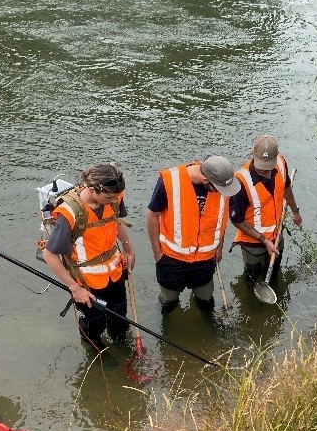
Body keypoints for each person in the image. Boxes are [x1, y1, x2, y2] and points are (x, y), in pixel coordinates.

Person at [43, 163, 135, 350]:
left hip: (115, 273)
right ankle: (97, 355)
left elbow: (116, 221)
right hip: (86, 283)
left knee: (119, 319)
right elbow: (49, 254)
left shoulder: (114, 197)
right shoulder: (68, 214)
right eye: (109, 197)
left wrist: (129, 249)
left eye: (115, 197)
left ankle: (121, 346)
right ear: (92, 189)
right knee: (93, 327)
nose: (113, 200)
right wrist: (75, 289)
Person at [146, 156, 240, 312]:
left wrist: (219, 247)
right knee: (169, 301)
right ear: (206, 180)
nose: (224, 193)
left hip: (206, 258)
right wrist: (157, 253)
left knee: (205, 300)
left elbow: (221, 219)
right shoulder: (170, 181)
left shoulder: (224, 183)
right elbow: (152, 215)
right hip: (172, 258)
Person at [229, 134, 301, 284]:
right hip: (252, 242)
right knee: (252, 277)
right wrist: (263, 239)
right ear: (252, 154)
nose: (266, 173)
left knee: (274, 271)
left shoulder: (281, 163)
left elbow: (286, 187)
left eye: (269, 168)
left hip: (276, 233)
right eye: (262, 169)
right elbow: (236, 220)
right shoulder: (240, 181)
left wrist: (295, 211)